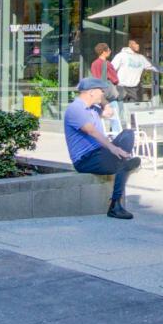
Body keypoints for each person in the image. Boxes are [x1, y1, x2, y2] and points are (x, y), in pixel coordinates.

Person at [64, 76, 140, 219]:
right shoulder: (76, 109)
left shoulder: (93, 108)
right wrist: (113, 148)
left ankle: (124, 162)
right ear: (91, 92)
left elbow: (109, 113)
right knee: (121, 162)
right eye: (101, 91)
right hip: (85, 160)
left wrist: (104, 103)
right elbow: (92, 131)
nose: (103, 94)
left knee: (128, 134)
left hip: (100, 153)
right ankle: (115, 205)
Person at [113, 39, 150, 104]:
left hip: (134, 88)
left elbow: (153, 66)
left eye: (139, 44)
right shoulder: (121, 55)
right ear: (130, 45)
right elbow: (111, 69)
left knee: (133, 108)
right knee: (121, 107)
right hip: (121, 87)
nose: (138, 46)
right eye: (136, 44)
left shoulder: (141, 58)